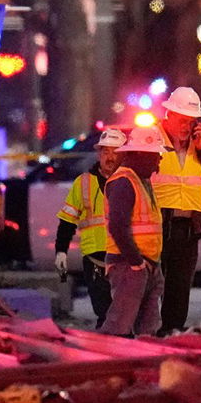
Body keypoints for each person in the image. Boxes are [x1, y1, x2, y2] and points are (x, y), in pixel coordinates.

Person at [152, 86, 201, 335]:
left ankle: (173, 332)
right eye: (182, 120)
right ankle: (150, 332)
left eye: (191, 121)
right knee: (152, 285)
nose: (186, 126)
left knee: (179, 285)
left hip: (188, 229)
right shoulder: (151, 140)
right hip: (156, 225)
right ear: (169, 116)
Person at [99, 126, 171, 337]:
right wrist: (136, 262)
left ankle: (144, 364)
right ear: (140, 154)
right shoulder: (124, 182)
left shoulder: (141, 181)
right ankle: (103, 363)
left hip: (145, 264)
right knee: (119, 326)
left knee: (148, 329)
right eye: (156, 155)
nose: (159, 161)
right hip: (129, 265)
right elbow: (117, 226)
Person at [54, 127, 126, 328]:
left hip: (125, 256)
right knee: (103, 311)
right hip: (94, 257)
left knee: (124, 312)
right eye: (105, 152)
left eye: (115, 152)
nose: (109, 157)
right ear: (99, 154)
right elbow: (68, 220)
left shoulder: (133, 182)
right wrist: (61, 251)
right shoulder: (84, 183)